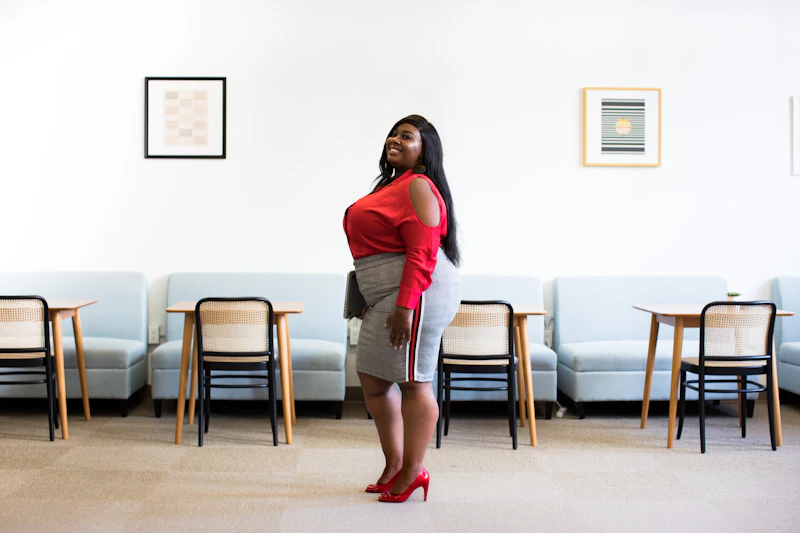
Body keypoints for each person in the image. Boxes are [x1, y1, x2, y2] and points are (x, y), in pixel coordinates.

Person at [343, 115, 461, 503]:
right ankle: (395, 463)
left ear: (425, 151)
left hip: (416, 292)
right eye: (393, 134)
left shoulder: (420, 186)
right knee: (373, 377)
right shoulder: (395, 185)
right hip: (388, 293)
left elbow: (423, 251)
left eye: (406, 136)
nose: (394, 139)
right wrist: (370, 297)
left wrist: (405, 308)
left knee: (414, 380)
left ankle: (413, 472)